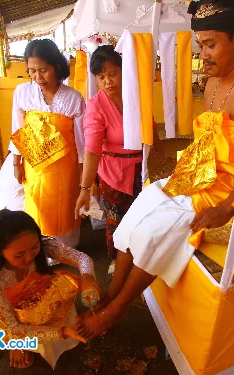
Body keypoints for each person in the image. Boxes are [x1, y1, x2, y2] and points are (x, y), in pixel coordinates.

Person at [77, 0, 234, 339]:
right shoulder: (213, 85)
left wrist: (227, 208)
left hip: (227, 183)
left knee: (157, 228)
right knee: (136, 214)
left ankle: (118, 307)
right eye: (200, 45)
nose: (204, 55)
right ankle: (113, 292)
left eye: (211, 44)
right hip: (194, 171)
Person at [0, 210, 100, 368]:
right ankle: (17, 346)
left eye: (34, 247)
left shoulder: (44, 245)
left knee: (64, 284)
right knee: (13, 335)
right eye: (19, 255)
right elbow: (9, 330)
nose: (30, 257)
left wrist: (87, 277)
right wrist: (62, 332)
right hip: (4, 314)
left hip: (34, 292)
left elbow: (81, 258)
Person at [74, 45, 161, 269]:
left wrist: (160, 163)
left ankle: (142, 261)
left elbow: (152, 132)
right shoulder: (95, 106)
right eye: (101, 77)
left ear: (124, 71)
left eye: (112, 74)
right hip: (113, 172)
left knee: (145, 216)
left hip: (142, 168)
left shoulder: (137, 97)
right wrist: (84, 189)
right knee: (118, 220)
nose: (107, 81)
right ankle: (116, 260)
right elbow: (92, 149)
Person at [9, 39, 85, 248]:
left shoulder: (73, 98)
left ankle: (67, 249)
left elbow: (81, 139)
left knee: (64, 205)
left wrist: (82, 171)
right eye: (32, 70)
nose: (37, 77)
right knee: (36, 204)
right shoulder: (23, 92)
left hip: (66, 165)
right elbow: (17, 130)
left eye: (43, 70)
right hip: (34, 166)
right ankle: (39, 249)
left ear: (57, 67)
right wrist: (17, 163)